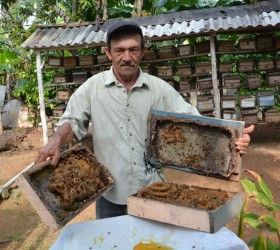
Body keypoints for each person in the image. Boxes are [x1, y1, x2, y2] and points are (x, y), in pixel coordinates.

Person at [35, 20, 254, 219]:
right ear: (108, 53)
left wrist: (233, 142)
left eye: (133, 50)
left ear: (143, 52)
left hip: (154, 192)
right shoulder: (92, 88)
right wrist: (56, 140)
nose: (126, 57)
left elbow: (197, 123)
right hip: (110, 197)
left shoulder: (158, 89)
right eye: (119, 50)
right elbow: (71, 122)